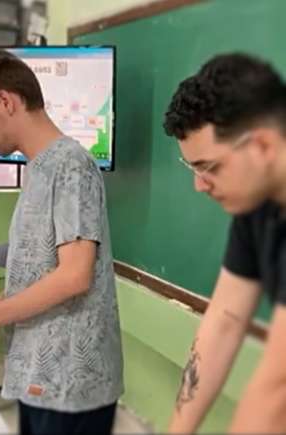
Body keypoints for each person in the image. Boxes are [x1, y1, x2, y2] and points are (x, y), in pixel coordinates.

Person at [0, 47, 124, 435]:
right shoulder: (41, 168)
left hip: (71, 384)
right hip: (43, 377)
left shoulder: (71, 165)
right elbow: (45, 271)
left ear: (6, 101)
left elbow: (74, 276)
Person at [162, 53, 286, 433]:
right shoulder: (256, 205)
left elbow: (278, 387)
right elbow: (225, 321)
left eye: (209, 168)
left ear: (263, 146)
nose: (199, 186)